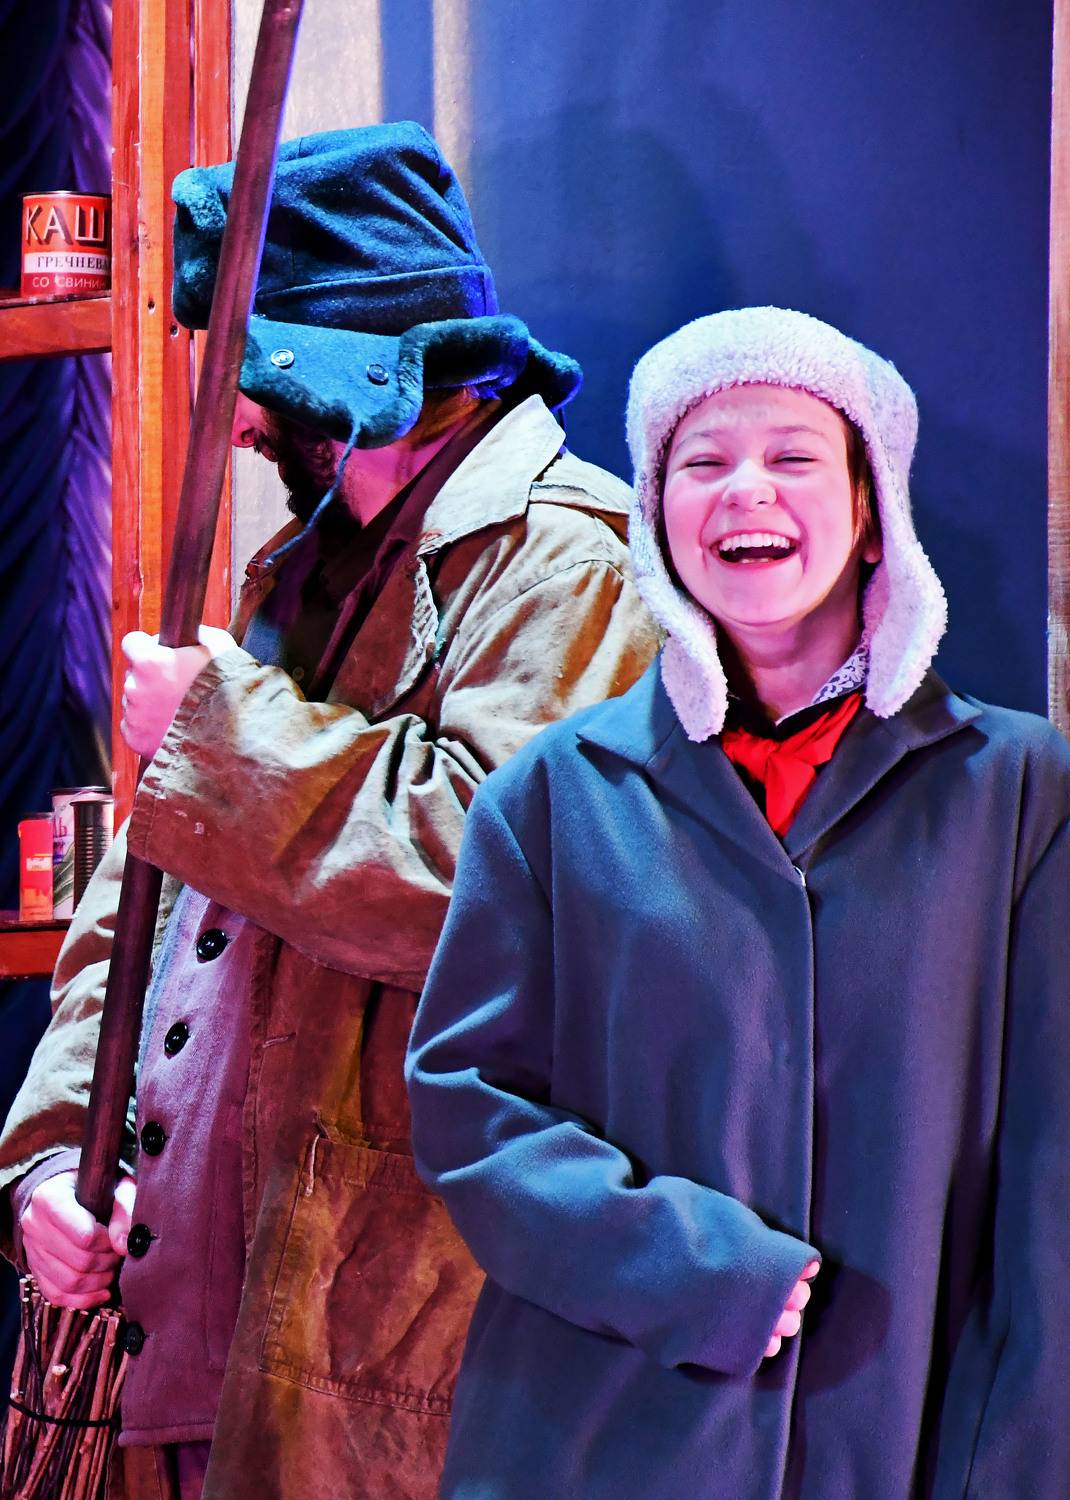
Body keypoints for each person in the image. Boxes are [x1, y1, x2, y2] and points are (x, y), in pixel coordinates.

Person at [0, 123, 657, 1500]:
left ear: (361, 370)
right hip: (177, 1343)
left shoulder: (567, 568)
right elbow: (135, 909)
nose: (240, 421)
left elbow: (485, 883)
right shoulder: (293, 578)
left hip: (364, 1363)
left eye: (260, 379)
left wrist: (216, 732)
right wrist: (56, 1158)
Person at [406, 306, 1070, 1499]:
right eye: (703, 461)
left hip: (888, 1446)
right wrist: (690, 1270)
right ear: (655, 513)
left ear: (870, 506)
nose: (747, 489)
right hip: (591, 1449)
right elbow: (464, 1110)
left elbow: (1061, 1210)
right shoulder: (550, 795)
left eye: (792, 455)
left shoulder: (1020, 799)